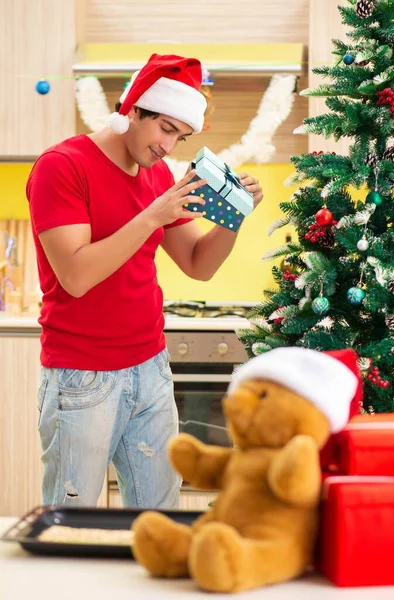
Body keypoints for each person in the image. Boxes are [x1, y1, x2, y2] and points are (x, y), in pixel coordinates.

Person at [27, 53, 263, 509]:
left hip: (150, 367)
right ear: (134, 109)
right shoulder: (63, 166)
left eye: (182, 136)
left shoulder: (157, 175)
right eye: (165, 129)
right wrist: (151, 214)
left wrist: (234, 216)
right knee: (71, 517)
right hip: (81, 373)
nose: (169, 147)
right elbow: (76, 276)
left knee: (160, 516)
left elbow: (198, 264)